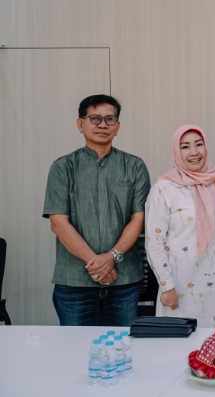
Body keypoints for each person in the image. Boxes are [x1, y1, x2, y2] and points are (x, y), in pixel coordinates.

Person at [42, 94, 150, 326]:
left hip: (124, 281)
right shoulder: (63, 167)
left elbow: (138, 218)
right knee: (75, 347)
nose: (103, 125)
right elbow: (58, 222)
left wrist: (112, 257)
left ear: (117, 126)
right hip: (74, 282)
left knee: (126, 345)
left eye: (109, 119)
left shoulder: (135, 166)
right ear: (80, 124)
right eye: (95, 119)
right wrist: (98, 263)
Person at [144, 125, 215, 327]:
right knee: (181, 338)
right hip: (180, 284)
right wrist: (167, 286)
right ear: (176, 150)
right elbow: (154, 242)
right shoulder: (164, 188)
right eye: (185, 147)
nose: (194, 152)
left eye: (199, 144)